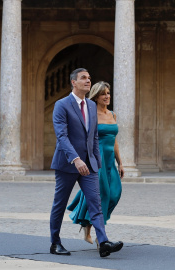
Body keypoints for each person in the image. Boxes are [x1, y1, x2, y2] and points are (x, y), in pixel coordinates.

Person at [49, 68, 123, 258]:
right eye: (83, 78)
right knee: (60, 203)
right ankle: (55, 243)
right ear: (73, 82)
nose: (88, 81)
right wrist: (76, 159)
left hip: (89, 165)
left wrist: (95, 162)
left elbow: (94, 137)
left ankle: (103, 242)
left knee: (96, 203)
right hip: (67, 164)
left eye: (89, 78)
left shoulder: (91, 106)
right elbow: (62, 136)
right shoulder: (61, 105)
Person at [67, 81, 124, 246]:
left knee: (115, 194)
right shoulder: (90, 114)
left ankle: (87, 223)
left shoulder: (112, 114)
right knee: (102, 195)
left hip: (110, 162)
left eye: (108, 93)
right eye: (103, 94)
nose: (107, 96)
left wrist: (120, 163)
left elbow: (114, 142)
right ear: (96, 97)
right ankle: (101, 237)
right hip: (96, 161)